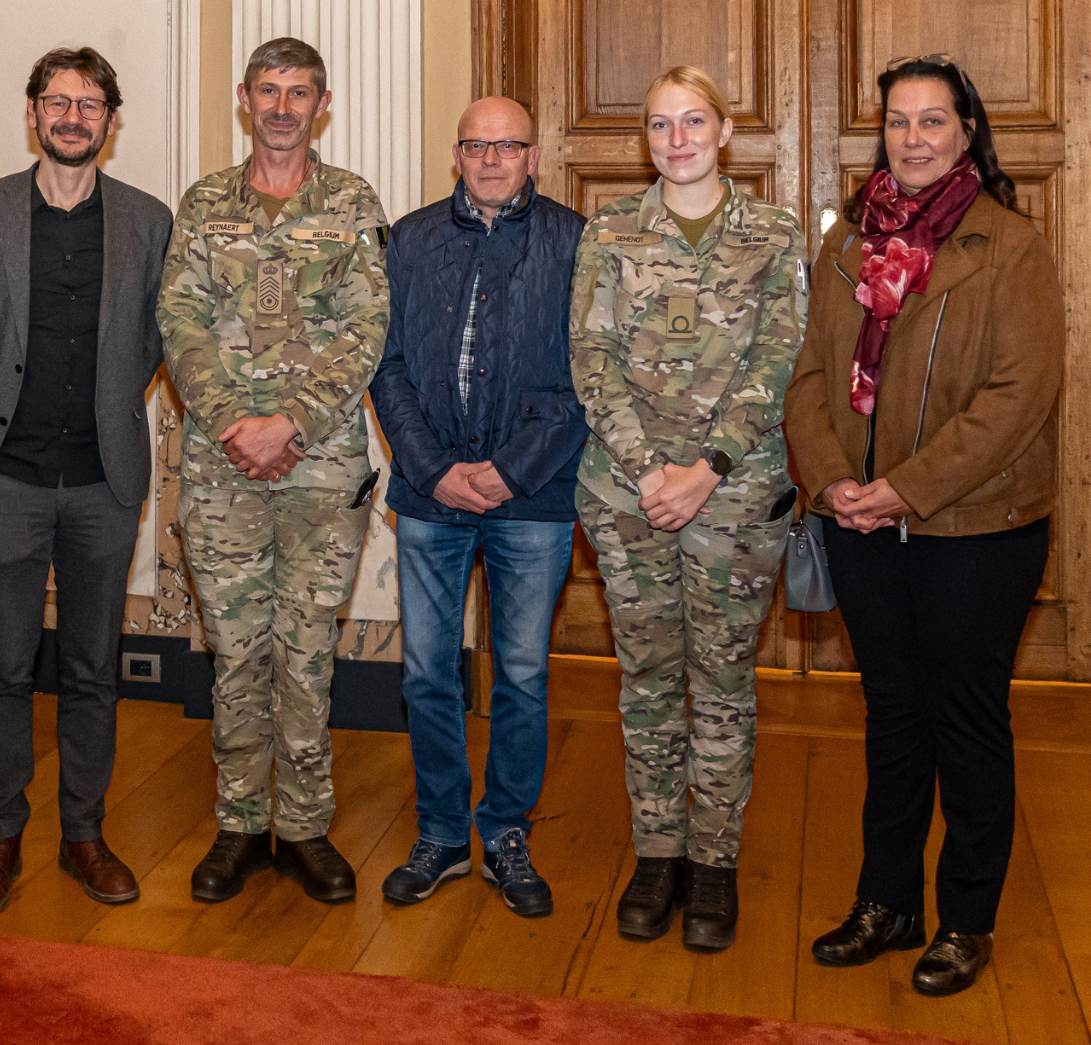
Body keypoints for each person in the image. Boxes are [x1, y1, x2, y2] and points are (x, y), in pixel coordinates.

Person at [786, 57, 1061, 995]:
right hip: (858, 525)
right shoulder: (845, 243)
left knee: (968, 722)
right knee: (894, 716)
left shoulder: (1010, 246)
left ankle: (966, 920)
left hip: (975, 529)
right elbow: (811, 379)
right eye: (898, 122)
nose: (913, 138)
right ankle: (888, 902)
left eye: (933, 121)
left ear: (968, 132)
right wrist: (831, 482)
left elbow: (1019, 397)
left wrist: (904, 486)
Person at [570, 64, 803, 952]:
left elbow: (778, 358)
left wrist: (705, 468)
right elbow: (588, 355)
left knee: (724, 681)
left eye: (693, 121)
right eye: (661, 125)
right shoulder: (613, 228)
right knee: (649, 677)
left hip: (734, 496)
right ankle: (657, 852)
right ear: (645, 138)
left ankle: (715, 863)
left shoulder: (772, 232)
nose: (677, 140)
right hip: (627, 495)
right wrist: (648, 467)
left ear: (726, 130)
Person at [0, 47, 172, 916]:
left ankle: (83, 834)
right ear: (32, 112)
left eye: (91, 104)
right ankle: (0, 837)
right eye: (57, 102)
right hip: (4, 477)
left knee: (91, 668)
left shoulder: (150, 223)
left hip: (105, 481)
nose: (73, 117)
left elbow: (153, 343)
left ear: (112, 121)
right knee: (0, 666)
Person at [159, 37, 388, 905]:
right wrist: (232, 424)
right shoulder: (206, 202)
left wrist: (289, 423)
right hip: (223, 470)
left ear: (322, 104)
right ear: (245, 100)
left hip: (321, 468)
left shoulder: (352, 202)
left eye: (300, 92)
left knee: (306, 652)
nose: (283, 106)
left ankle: (305, 828)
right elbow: (177, 321)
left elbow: (369, 328)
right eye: (268, 90)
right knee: (236, 649)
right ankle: (238, 825)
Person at [370, 97, 587, 918]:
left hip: (534, 497)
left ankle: (503, 832)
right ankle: (439, 835)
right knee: (429, 673)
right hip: (430, 496)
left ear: (534, 156)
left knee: (523, 676)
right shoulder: (412, 240)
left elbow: (585, 377)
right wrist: (434, 469)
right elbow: (384, 365)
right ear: (456, 154)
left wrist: (504, 471)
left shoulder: (575, 243)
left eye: (508, 145)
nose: (492, 157)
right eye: (476, 144)